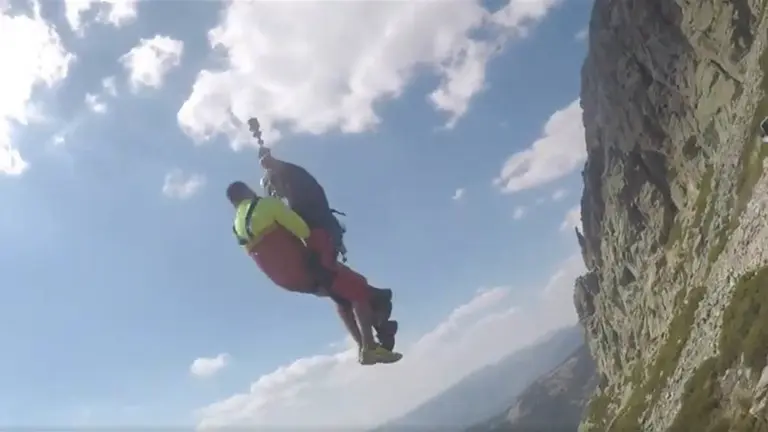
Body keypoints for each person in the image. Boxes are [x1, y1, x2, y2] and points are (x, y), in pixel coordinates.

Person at [227, 181, 402, 365]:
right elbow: (302, 230)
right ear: (247, 191)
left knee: (341, 297)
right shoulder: (266, 204)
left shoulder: (236, 228)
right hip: (307, 267)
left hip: (289, 281)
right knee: (358, 287)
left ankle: (363, 347)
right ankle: (370, 346)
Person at [256, 146, 397, 346]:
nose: (277, 193)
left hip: (323, 235)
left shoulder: (299, 183)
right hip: (321, 238)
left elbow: (288, 170)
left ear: (278, 180)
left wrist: (271, 161)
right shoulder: (294, 199)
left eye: (274, 187)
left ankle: (377, 311)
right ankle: (378, 314)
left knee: (341, 288)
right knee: (339, 293)